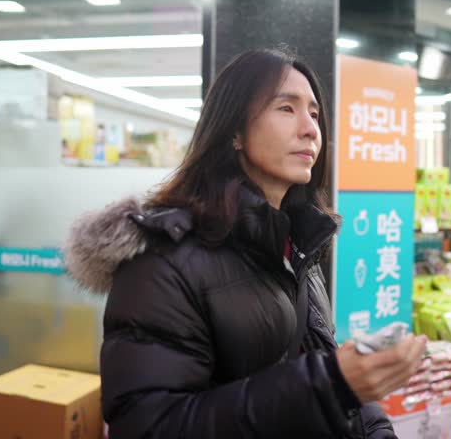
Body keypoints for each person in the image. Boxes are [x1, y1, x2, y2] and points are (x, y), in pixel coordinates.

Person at [63, 49, 427, 438]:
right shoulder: (164, 261)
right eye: (286, 109)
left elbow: (321, 365)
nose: (310, 129)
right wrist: (332, 385)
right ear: (234, 131)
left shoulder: (295, 246)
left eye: (315, 114)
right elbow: (149, 427)